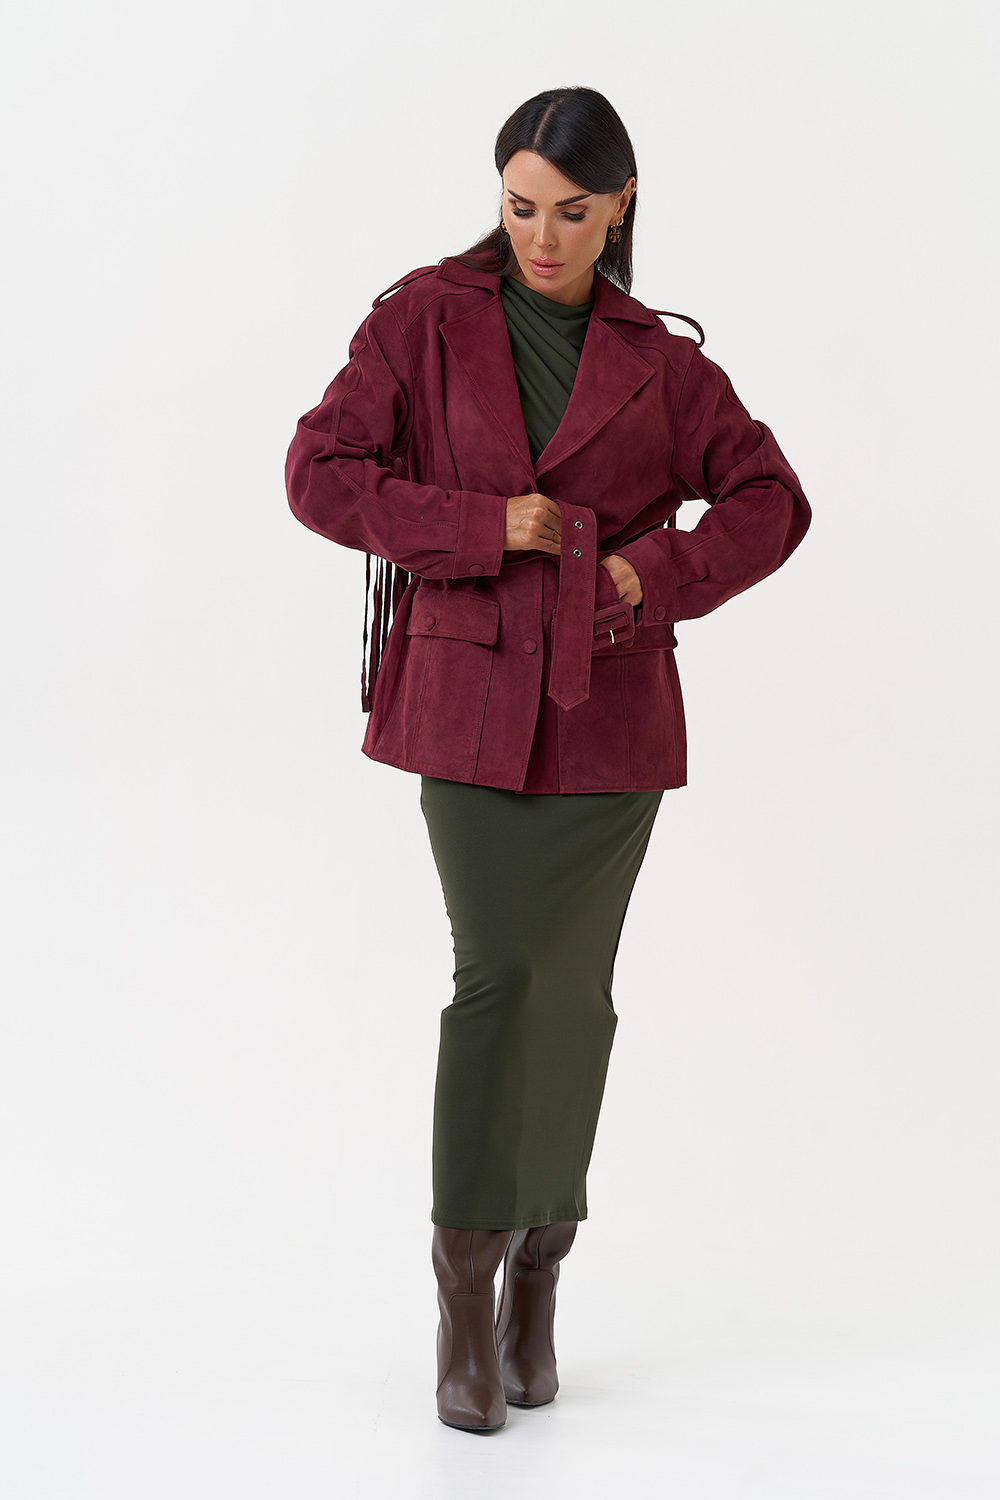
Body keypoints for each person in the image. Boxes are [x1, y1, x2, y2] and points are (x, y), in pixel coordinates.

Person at [284, 85, 811, 1434]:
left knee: (574, 997)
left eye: (573, 213)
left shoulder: (665, 365)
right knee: (497, 980)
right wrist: (484, 526)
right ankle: (464, 1296)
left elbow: (772, 499)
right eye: (521, 207)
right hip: (461, 703)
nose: (542, 237)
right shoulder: (421, 319)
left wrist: (650, 572)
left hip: (606, 717)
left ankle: (539, 1279)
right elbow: (319, 473)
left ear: (620, 207)